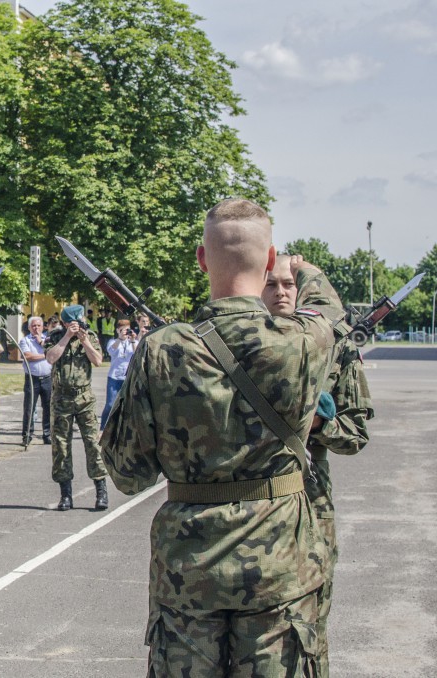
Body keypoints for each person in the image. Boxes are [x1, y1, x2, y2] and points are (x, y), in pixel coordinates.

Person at [101, 198, 348, 676]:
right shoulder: (303, 342)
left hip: (189, 571)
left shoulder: (162, 349)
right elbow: (327, 310)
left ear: (201, 259)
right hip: (282, 566)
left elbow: (127, 474)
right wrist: (307, 271)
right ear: (270, 260)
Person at [262, 252, 374, 676]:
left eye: (289, 284)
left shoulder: (334, 347)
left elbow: (355, 435)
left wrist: (320, 421)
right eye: (270, 284)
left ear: (303, 289)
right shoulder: (235, 345)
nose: (280, 292)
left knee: (308, 625)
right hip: (248, 505)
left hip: (310, 503)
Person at [44, 304, 109, 512]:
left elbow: (98, 360)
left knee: (92, 443)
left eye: (79, 321)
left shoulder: (89, 336)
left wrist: (85, 341)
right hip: (61, 398)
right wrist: (66, 338)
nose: (77, 325)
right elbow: (50, 358)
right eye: (72, 322)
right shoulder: (55, 336)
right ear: (64, 323)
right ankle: (66, 495)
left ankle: (101, 491)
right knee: (61, 447)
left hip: (84, 398)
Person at [19, 316, 52, 446]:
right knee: (29, 408)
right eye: (33, 326)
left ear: (43, 327)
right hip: (32, 378)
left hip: (47, 378)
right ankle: (27, 435)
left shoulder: (48, 339)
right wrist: (45, 355)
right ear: (29, 328)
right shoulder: (25, 341)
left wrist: (41, 343)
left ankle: (47, 434)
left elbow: (54, 353)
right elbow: (27, 356)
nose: (36, 328)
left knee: (48, 407)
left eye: (38, 325)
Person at [100, 319, 138, 429]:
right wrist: (120, 338)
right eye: (122, 330)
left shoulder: (133, 341)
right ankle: (103, 428)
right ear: (117, 330)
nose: (125, 332)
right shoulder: (113, 341)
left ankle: (124, 429)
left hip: (128, 377)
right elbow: (111, 351)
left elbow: (136, 354)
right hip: (114, 377)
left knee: (128, 405)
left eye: (127, 330)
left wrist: (133, 340)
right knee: (110, 404)